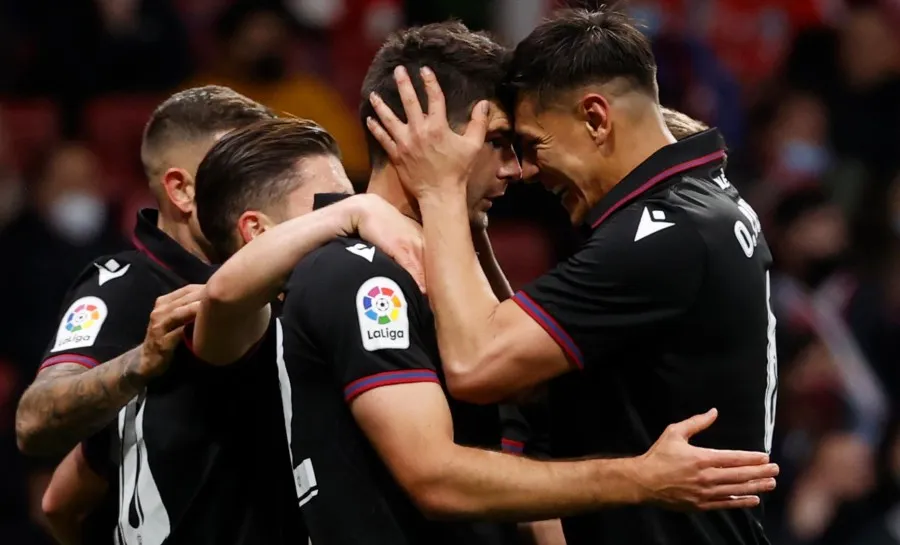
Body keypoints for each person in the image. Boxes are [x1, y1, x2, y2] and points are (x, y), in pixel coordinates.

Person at [204, 23, 778, 545]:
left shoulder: (662, 231)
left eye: (524, 145)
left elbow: (514, 419)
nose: (518, 170)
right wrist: (638, 480)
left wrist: (455, 216)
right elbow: (437, 475)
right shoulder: (361, 273)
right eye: (501, 143)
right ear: (424, 136)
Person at [20, 86, 275, 545]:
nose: (264, 191)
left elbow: (62, 500)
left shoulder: (279, 278)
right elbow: (33, 421)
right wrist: (140, 362)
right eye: (243, 174)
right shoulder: (125, 288)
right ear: (182, 190)